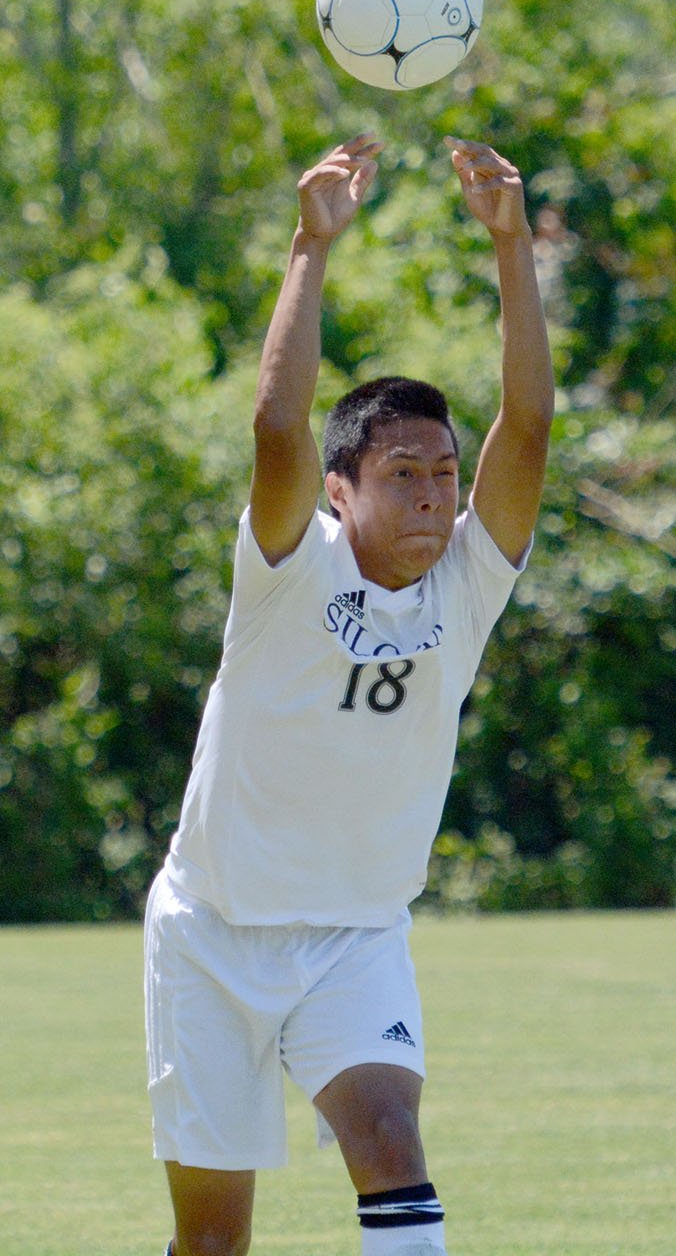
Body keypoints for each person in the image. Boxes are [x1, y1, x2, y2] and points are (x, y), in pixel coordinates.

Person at [144, 131, 554, 1256]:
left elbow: (527, 427)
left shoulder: (467, 583)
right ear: (339, 491)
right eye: (402, 474)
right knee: (214, 1242)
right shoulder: (289, 569)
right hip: (212, 933)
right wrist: (307, 248)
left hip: (354, 934)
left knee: (388, 1139)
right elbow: (276, 425)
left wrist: (510, 247)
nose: (434, 496)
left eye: (443, 473)